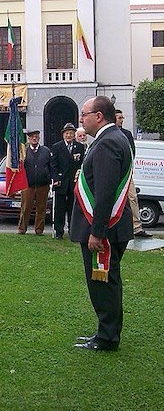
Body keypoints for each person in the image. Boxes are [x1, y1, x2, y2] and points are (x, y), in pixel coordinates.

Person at [71, 96, 133, 351]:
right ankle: (108, 332)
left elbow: (106, 192)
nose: (81, 120)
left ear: (98, 116)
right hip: (112, 227)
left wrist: (97, 232)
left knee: (102, 282)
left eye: (84, 114)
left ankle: (107, 337)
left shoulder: (107, 143)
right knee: (108, 280)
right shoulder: (115, 138)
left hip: (103, 230)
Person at [115, 109, 152, 238]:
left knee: (132, 197)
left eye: (122, 117)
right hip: (113, 172)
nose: (122, 119)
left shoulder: (126, 134)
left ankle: (136, 227)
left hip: (125, 172)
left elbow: (132, 152)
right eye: (119, 117)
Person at [50, 123, 85, 239]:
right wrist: (56, 178)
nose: (69, 135)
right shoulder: (57, 147)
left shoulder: (79, 147)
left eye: (71, 133)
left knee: (72, 208)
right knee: (59, 208)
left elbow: (81, 164)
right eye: (67, 133)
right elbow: (53, 165)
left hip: (73, 182)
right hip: (61, 182)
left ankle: (72, 230)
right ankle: (59, 232)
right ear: (63, 135)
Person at [17, 130, 52, 235]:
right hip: (28, 185)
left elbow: (51, 166)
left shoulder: (46, 151)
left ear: (39, 138)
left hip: (43, 185)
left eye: (36, 137)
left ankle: (39, 230)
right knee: (26, 208)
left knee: (41, 208)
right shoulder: (24, 152)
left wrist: (49, 177)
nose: (34, 139)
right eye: (32, 137)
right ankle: (22, 229)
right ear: (29, 139)